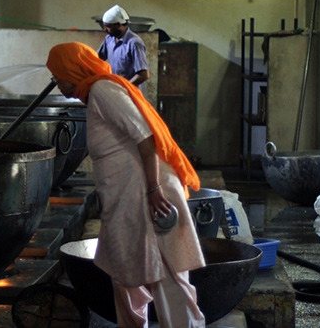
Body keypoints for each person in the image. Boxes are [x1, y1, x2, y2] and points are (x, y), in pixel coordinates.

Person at [47, 42, 205, 327]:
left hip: (149, 193)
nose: (55, 82)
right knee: (123, 272)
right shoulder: (95, 93)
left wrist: (154, 189)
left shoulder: (104, 91)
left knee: (168, 278)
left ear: (73, 70)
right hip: (127, 198)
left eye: (58, 75)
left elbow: (145, 138)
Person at [97, 5, 150, 94]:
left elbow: (143, 75)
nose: (105, 29)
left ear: (118, 25)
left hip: (131, 94)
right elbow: (97, 58)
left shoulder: (134, 43)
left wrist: (124, 88)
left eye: (108, 26)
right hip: (117, 91)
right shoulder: (109, 39)